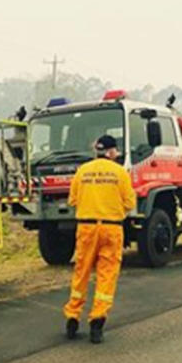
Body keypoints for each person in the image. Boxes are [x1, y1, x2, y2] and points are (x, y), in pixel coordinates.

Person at [63, 134, 136, 344]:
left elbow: (73, 200)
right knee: (107, 273)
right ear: (112, 152)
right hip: (111, 228)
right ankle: (97, 321)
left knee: (81, 271)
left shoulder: (82, 171)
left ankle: (72, 317)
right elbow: (129, 202)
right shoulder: (120, 172)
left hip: (86, 227)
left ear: (97, 150)